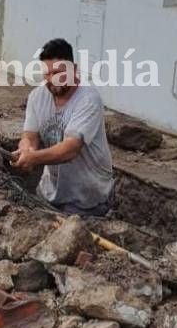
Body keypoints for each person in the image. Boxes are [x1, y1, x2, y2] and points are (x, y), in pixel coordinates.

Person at [12, 38, 113, 215]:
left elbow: (70, 149)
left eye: (58, 72)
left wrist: (34, 158)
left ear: (73, 69)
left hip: (83, 200)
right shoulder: (37, 96)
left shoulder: (88, 99)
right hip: (47, 193)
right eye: (47, 73)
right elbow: (30, 136)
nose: (52, 79)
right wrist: (26, 149)